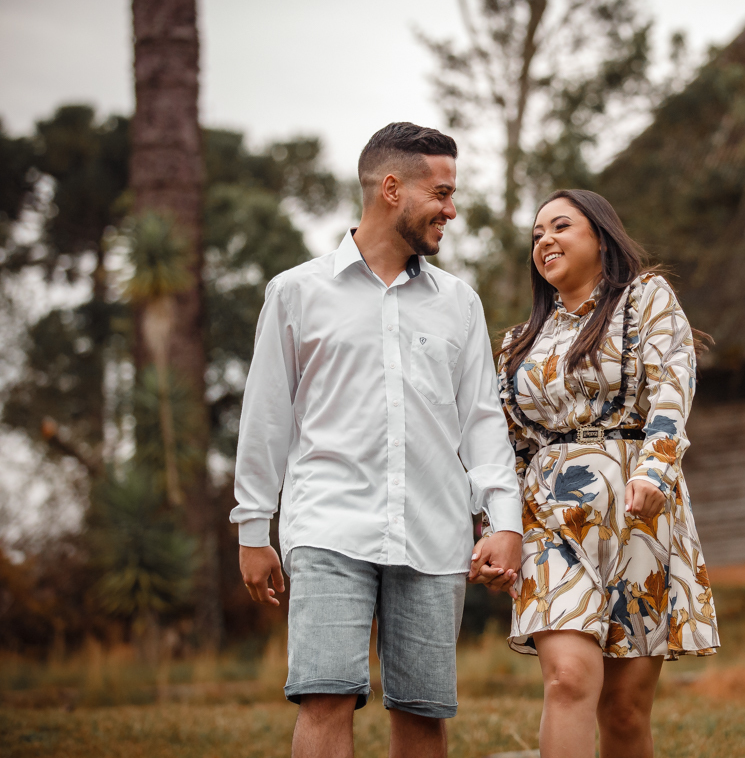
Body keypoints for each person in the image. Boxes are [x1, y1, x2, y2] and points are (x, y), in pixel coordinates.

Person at [232, 122, 522, 758]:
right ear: (392, 189)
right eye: (441, 193)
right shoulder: (295, 293)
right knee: (324, 697)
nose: (451, 210)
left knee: (422, 714)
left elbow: (482, 421)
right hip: (329, 525)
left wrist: (505, 521)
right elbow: (265, 418)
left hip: (433, 533)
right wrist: (253, 528)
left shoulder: (460, 304)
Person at [479, 189, 719, 758]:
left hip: (639, 514)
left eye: (560, 226)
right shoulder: (518, 344)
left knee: (625, 709)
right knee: (568, 679)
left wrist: (657, 470)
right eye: (536, 234)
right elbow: (510, 446)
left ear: (601, 237)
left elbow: (673, 384)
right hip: (550, 516)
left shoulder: (647, 298)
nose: (545, 240)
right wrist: (498, 525)